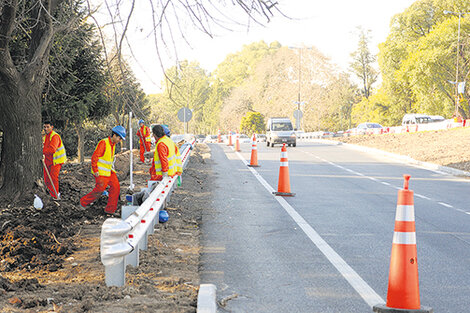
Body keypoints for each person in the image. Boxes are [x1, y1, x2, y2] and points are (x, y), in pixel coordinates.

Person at [80, 126, 126, 214]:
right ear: (114, 136)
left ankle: (110, 210)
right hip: (100, 172)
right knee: (99, 190)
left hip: (109, 171)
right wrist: (95, 170)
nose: (120, 141)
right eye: (119, 138)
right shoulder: (104, 143)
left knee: (116, 187)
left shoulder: (113, 145)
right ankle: (83, 202)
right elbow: (95, 157)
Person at [42, 121, 66, 199]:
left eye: (47, 127)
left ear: (52, 127)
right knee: (46, 179)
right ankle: (51, 193)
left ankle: (55, 195)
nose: (46, 129)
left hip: (56, 161)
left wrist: (41, 151)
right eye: (44, 127)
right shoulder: (45, 137)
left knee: (53, 178)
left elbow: (52, 149)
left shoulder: (55, 136)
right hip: (48, 161)